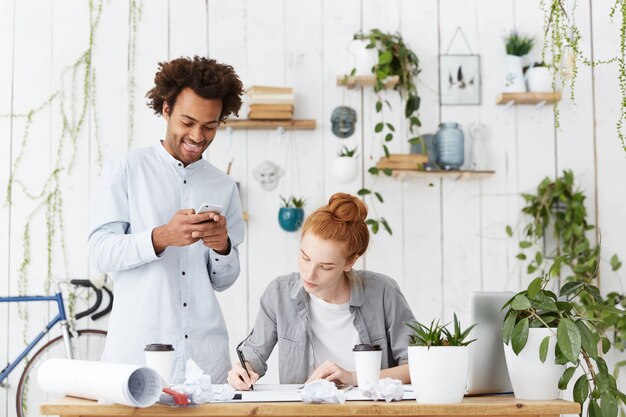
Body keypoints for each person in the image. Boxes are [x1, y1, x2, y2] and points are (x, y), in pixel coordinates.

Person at [88, 56, 245, 383]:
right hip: (136, 355)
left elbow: (224, 280)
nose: (198, 136)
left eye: (210, 126)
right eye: (188, 122)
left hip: (206, 361)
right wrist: (160, 237)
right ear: (166, 110)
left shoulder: (224, 185)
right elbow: (100, 252)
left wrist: (223, 248)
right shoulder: (126, 170)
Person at [227, 193, 415, 390]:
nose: (309, 274)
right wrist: (242, 370)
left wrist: (352, 377)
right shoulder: (279, 293)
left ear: (350, 262)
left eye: (325, 267)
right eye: (305, 257)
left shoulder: (383, 292)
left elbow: (417, 365)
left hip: (370, 409)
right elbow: (253, 354)